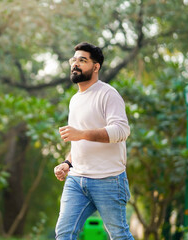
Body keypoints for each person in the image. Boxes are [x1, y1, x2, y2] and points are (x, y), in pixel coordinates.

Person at [54, 42, 134, 240]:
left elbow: (121, 131)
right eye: (74, 60)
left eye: (83, 60)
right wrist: (67, 163)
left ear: (96, 66)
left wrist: (81, 134)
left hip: (108, 179)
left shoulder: (108, 94)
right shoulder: (75, 100)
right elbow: (79, 141)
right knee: (64, 233)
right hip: (76, 179)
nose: (75, 64)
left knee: (119, 235)